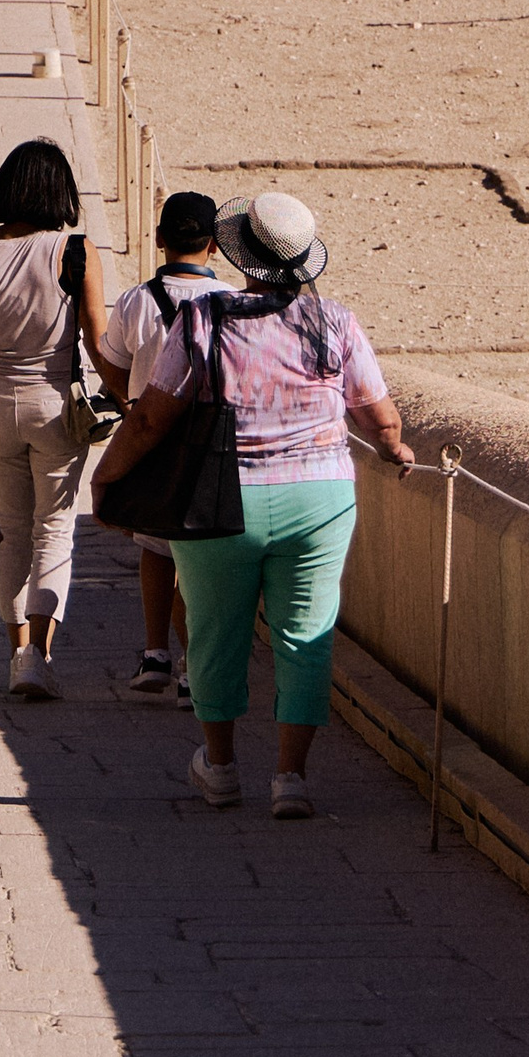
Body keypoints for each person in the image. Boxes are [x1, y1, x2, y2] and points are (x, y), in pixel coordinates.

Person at [91, 190, 418, 817]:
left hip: (219, 499)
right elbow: (379, 416)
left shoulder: (205, 318)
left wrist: (107, 480)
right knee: (306, 637)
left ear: (239, 252)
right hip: (319, 500)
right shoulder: (334, 322)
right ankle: (290, 778)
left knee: (216, 634)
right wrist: (394, 447)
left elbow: (151, 419)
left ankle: (220, 766)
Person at [0, 141, 111, 701]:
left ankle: (16, 645)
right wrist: (124, 394)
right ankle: (39, 655)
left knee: (9, 530)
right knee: (55, 528)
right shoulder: (76, 250)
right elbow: (96, 334)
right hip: (53, 408)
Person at [92, 190, 225, 701]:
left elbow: (117, 369)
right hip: (207, 446)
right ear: (213, 246)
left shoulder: (135, 300)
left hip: (148, 443)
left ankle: (155, 653)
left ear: (160, 239)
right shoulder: (228, 301)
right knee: (198, 561)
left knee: (155, 549)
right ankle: (195, 664)